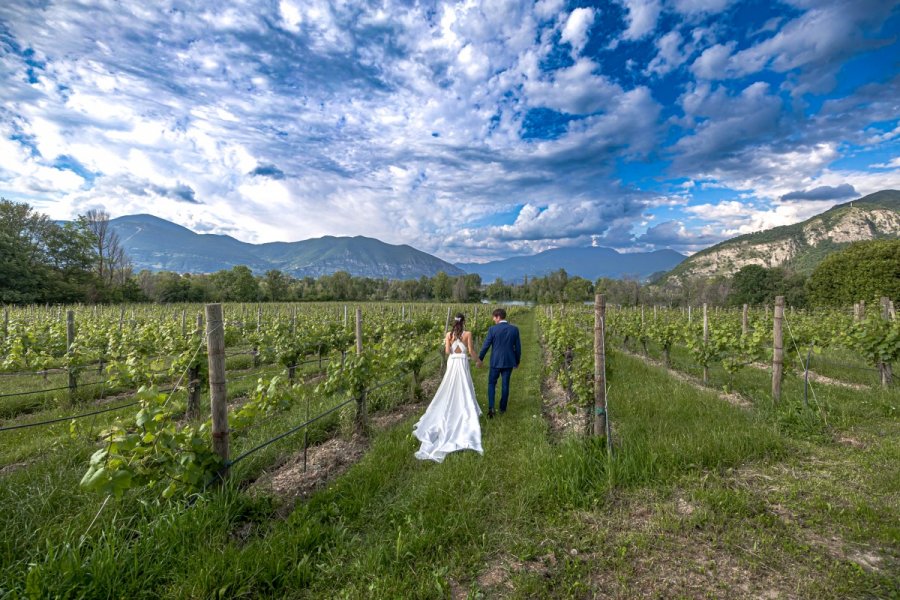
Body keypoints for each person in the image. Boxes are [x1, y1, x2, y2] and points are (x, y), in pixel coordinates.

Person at [413, 313, 483, 462]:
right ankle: (465, 407)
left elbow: (446, 351)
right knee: (464, 385)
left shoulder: (448, 334)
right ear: (464, 322)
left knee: (449, 385)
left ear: (454, 322)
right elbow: (470, 351)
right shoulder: (468, 334)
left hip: (453, 362)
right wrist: (478, 361)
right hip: (463, 362)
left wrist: (452, 346)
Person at [477, 308, 521, 418]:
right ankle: (502, 409)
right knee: (505, 385)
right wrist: (517, 361)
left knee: (491, 383)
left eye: (494, 317)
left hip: (495, 362)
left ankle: (491, 408)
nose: (493, 319)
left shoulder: (492, 329)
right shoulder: (514, 329)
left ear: (498, 317)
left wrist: (480, 359)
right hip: (509, 361)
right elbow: (518, 348)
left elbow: (486, 346)